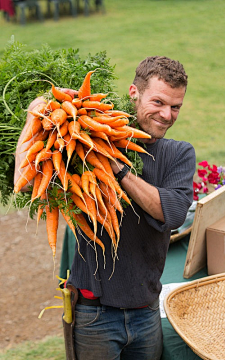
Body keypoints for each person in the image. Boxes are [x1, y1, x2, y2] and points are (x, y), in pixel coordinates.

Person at [14, 56, 196, 360]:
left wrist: (117, 168)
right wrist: (34, 115)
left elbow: (173, 213)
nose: (167, 115)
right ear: (133, 93)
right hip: (94, 315)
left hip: (147, 311)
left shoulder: (178, 154)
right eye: (159, 102)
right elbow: (26, 180)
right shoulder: (86, 141)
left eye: (175, 107)